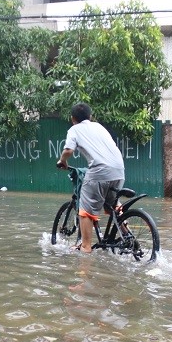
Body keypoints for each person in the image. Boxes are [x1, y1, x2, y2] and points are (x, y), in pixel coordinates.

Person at [56, 102, 125, 253]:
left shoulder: (74, 129)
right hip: (119, 170)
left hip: (99, 171)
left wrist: (62, 161)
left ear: (73, 118)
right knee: (113, 205)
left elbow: (68, 150)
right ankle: (127, 237)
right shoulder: (99, 127)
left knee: (85, 210)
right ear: (90, 116)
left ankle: (86, 247)